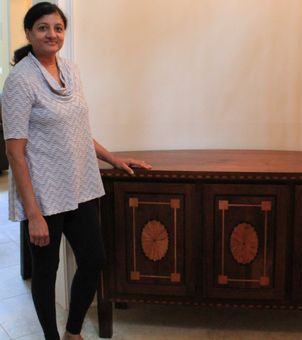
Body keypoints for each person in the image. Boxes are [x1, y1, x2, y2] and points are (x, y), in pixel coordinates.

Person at [1, 2, 152, 339]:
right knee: (46, 271)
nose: (51, 34)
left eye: (57, 27)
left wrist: (114, 159)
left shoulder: (70, 70)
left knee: (94, 260)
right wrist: (34, 213)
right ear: (29, 33)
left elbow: (80, 131)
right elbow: (15, 151)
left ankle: (72, 332)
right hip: (43, 193)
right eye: (42, 27)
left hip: (80, 185)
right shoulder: (20, 80)